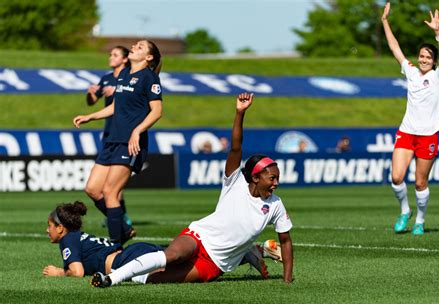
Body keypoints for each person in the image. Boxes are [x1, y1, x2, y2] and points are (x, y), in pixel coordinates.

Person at [90, 92, 294, 287]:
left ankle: (250, 253)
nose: (276, 182)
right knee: (172, 256)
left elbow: (285, 241)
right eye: (272, 178)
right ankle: (111, 278)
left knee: (155, 280)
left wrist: (287, 279)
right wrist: (240, 113)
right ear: (256, 178)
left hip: (214, 264)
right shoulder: (236, 182)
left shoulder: (276, 205)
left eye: (277, 178)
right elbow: (235, 147)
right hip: (200, 236)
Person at [73, 40, 163, 244]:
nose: (134, 47)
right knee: (93, 189)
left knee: (110, 192)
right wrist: (90, 116)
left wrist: (137, 131)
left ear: (149, 57)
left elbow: (157, 111)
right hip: (112, 140)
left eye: (140, 47)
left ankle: (115, 248)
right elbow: (115, 107)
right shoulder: (124, 74)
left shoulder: (149, 77)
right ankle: (123, 228)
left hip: (130, 143)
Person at [381, 3, 439, 235]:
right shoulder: (410, 71)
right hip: (407, 131)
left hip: (428, 134)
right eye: (421, 56)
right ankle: (404, 210)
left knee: (420, 182)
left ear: (433, 60)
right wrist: (385, 21)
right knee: (396, 177)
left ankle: (419, 220)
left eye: (428, 57)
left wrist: (437, 32)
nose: (423, 60)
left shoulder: (438, 76)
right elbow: (394, 47)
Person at [42, 201, 163, 278]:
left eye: (49, 225)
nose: (47, 230)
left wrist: (58, 272)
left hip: (125, 262)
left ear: (60, 228)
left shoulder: (67, 239)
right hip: (134, 251)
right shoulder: (80, 236)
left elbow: (77, 272)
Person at [85, 46, 133, 229]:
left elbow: (133, 101)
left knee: (112, 186)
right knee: (100, 187)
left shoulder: (130, 77)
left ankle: (121, 220)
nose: (110, 57)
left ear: (124, 59)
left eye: (115, 55)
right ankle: (119, 218)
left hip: (125, 135)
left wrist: (117, 92)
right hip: (109, 134)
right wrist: (90, 93)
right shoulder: (106, 78)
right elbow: (92, 102)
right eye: (110, 54)